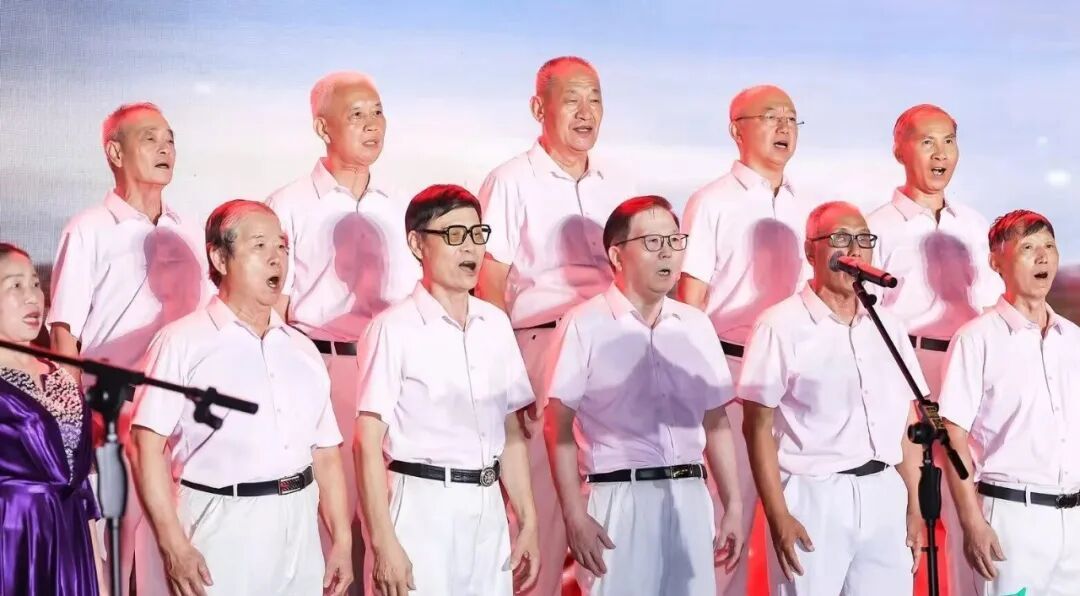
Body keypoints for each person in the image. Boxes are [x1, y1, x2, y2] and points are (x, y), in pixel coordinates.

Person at [129, 200, 352, 596]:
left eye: (282, 246)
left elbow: (326, 454)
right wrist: (173, 545)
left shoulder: (301, 349)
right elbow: (145, 446)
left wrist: (342, 542)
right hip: (221, 527)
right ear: (219, 257)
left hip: (300, 526)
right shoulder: (182, 342)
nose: (276, 259)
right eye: (260, 246)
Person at [475, 55, 635, 596]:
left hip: (614, 349)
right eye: (572, 99)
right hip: (543, 346)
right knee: (540, 504)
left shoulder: (616, 185)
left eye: (595, 99)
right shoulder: (510, 180)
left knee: (613, 491)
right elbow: (489, 284)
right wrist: (508, 375)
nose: (586, 112)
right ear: (538, 108)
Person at [47, 101, 210, 594]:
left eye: (170, 139)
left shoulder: (187, 229)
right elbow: (64, 336)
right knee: (113, 557)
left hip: (184, 415)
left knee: (175, 547)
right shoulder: (89, 228)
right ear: (115, 153)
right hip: (114, 417)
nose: (165, 148)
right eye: (150, 139)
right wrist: (77, 423)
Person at [266, 71, 420, 593]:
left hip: (393, 372)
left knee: (392, 512)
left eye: (378, 113)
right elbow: (273, 308)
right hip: (322, 367)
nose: (372, 125)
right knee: (325, 518)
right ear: (322, 127)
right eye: (357, 115)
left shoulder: (402, 205)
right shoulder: (287, 205)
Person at [545, 196, 744, 595]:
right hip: (619, 499)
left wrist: (733, 506)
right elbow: (557, 426)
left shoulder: (696, 325)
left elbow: (716, 421)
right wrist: (573, 515)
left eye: (675, 240)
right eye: (653, 242)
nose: (668, 252)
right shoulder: (585, 324)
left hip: (689, 497)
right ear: (617, 255)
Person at [354, 185, 539, 595]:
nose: (470, 247)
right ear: (417, 244)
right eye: (454, 235)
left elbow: (510, 431)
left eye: (477, 234)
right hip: (421, 509)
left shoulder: (496, 325)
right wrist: (383, 542)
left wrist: (527, 520)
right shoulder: (392, 329)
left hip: (487, 511)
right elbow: (366, 442)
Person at [740, 201, 925, 595]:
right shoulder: (780, 325)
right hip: (813, 494)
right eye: (841, 238)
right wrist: (778, 515)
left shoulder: (889, 326)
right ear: (811, 251)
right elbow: (757, 427)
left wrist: (914, 505)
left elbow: (907, 423)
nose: (854, 249)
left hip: (884, 491)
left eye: (864, 239)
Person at [676, 84, 813, 594]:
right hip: (732, 374)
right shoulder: (712, 201)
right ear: (737, 130)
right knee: (727, 521)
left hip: (796, 384)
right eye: (771, 117)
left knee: (795, 521)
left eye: (792, 119)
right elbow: (690, 300)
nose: (784, 127)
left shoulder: (806, 208)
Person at [866, 104, 1004, 594]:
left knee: (971, 505)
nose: (940, 153)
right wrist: (899, 391)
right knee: (910, 512)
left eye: (949, 141)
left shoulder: (975, 224)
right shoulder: (877, 226)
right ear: (899, 150)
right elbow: (867, 319)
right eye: (927, 142)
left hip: (967, 372)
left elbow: (991, 306)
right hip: (907, 370)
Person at [939, 210, 1080, 595]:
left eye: (1049, 245)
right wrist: (971, 522)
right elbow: (953, 436)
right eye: (1028, 247)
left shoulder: (1073, 339)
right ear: (995, 262)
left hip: (1074, 521)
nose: (1043, 256)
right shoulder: (977, 339)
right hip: (1013, 518)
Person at [0, 243, 107, 595]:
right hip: (14, 539)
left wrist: (100, 581)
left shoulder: (60, 375)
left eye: (35, 283)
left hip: (71, 536)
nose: (32, 296)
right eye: (15, 286)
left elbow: (81, 487)